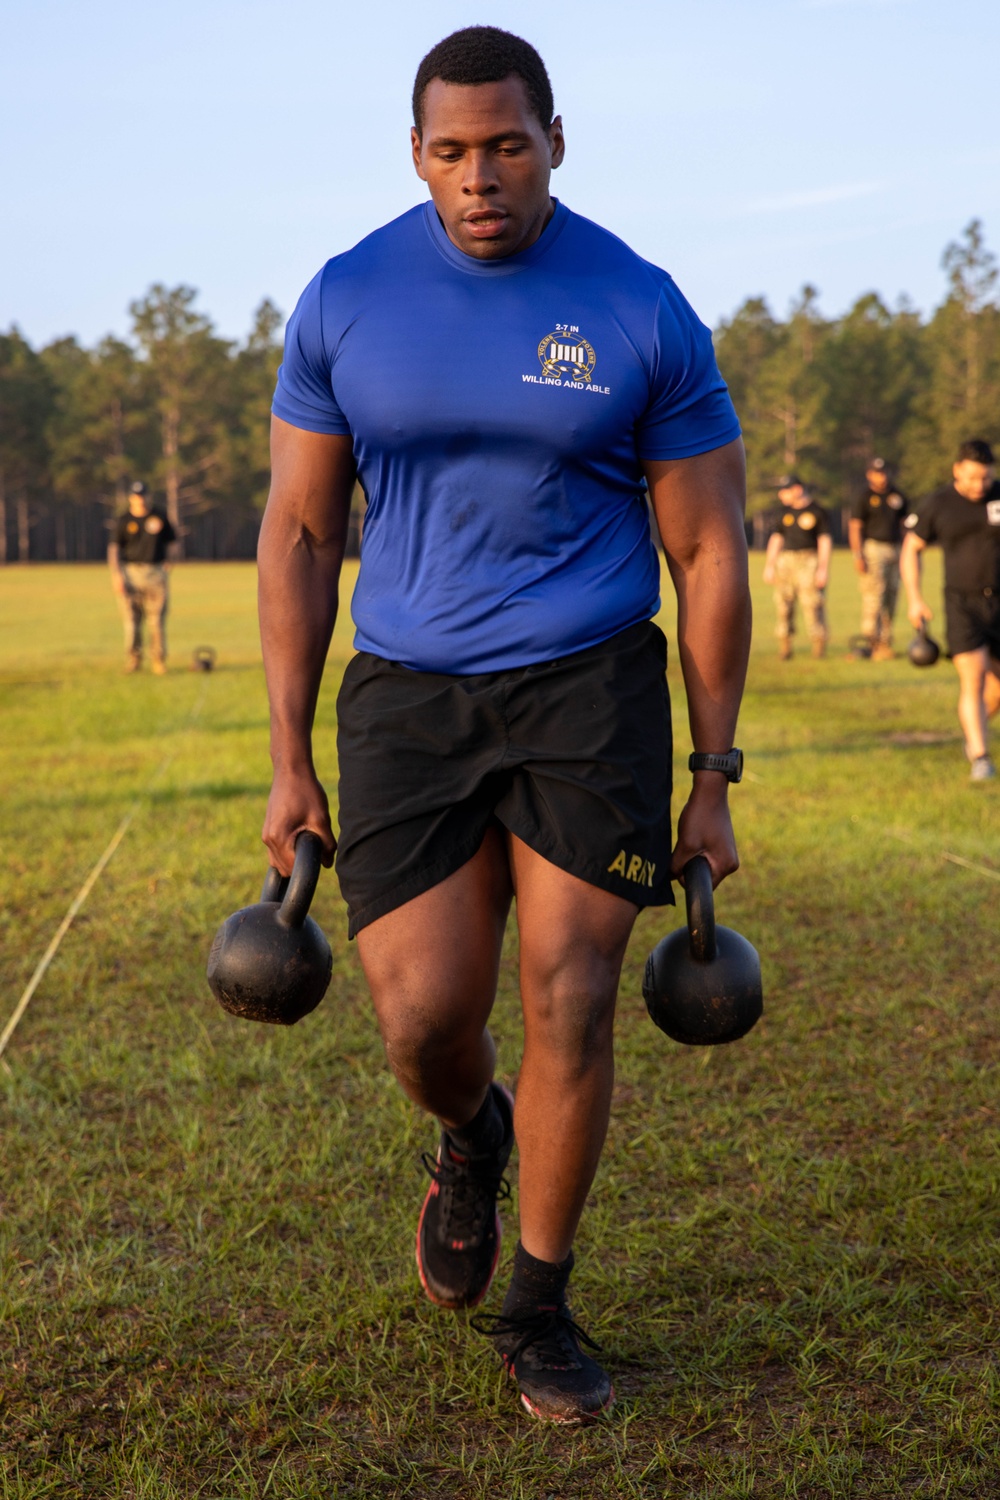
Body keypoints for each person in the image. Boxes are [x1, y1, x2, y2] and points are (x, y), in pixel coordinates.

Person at [258, 25, 750, 1424]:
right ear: (417, 154)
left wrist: (712, 775)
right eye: (452, 152)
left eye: (508, 147)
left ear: (555, 141)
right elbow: (299, 532)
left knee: (574, 994)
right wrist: (289, 759)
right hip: (409, 693)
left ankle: (540, 1304)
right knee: (424, 1020)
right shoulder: (347, 298)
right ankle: (472, 1137)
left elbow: (710, 553)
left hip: (588, 688)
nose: (481, 177)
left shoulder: (639, 305)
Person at [901, 438, 1000, 781]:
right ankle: (982, 757)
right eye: (972, 477)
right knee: (972, 678)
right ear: (957, 470)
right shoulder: (938, 504)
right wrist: (915, 598)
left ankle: (974, 735)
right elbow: (911, 548)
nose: (979, 485)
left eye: (985, 478)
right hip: (962, 603)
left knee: (996, 690)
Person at [107, 482, 177, 674]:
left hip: (155, 573)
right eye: (137, 496)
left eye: (143, 495)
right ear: (131, 498)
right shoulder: (123, 520)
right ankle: (134, 659)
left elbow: (172, 542)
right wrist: (116, 575)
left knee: (157, 621)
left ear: (149, 496)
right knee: (131, 621)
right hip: (131, 573)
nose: (140, 500)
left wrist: (169, 561)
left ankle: (158, 660)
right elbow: (114, 548)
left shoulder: (159, 516)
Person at [762, 476, 831, 660]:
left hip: (809, 560)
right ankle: (785, 648)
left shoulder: (817, 511)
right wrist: (769, 566)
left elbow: (824, 540)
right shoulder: (782, 513)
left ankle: (818, 647)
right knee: (783, 605)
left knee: (813, 604)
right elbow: (777, 538)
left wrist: (823, 568)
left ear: (797, 489)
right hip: (786, 562)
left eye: (785, 490)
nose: (780, 494)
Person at [847, 457, 910, 660]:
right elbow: (855, 527)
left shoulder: (897, 495)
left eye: (883, 472)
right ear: (869, 474)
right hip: (873, 549)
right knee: (875, 595)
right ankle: (870, 642)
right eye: (876, 473)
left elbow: (905, 526)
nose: (881, 477)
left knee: (892, 595)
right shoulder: (864, 497)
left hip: (896, 549)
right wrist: (858, 555)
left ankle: (885, 643)